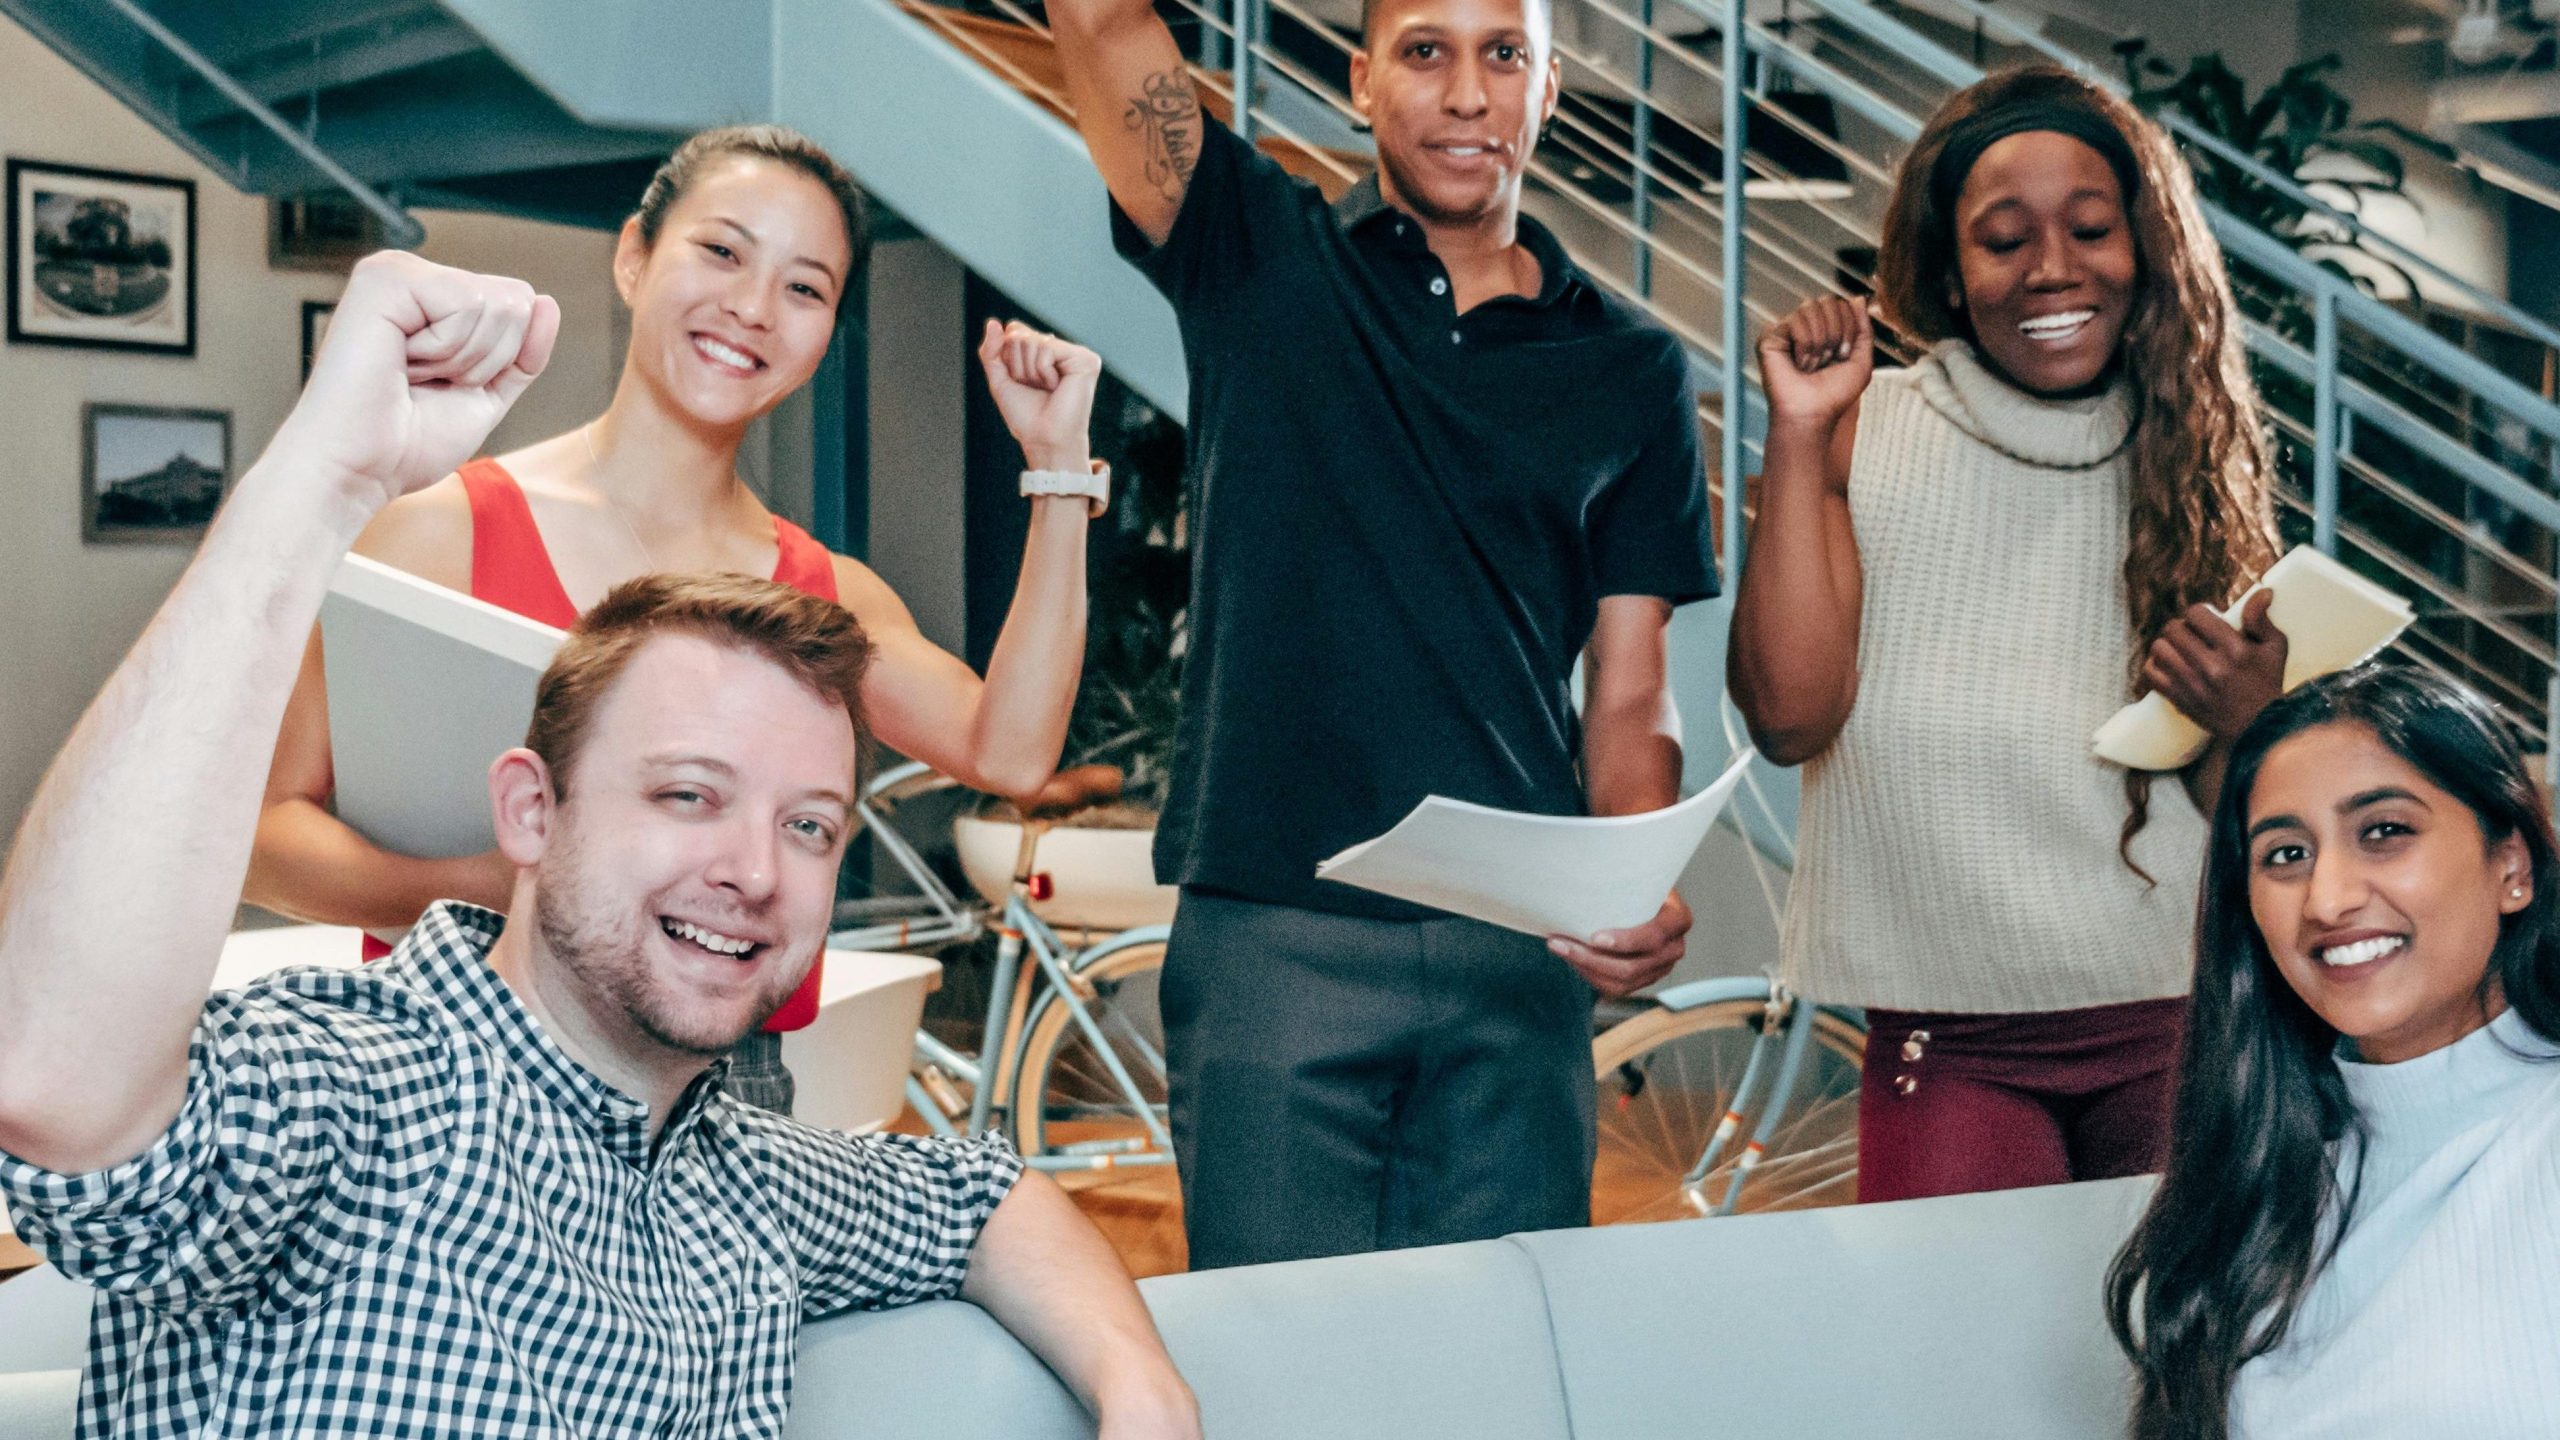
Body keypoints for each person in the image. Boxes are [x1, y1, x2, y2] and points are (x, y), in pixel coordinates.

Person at [0, 251, 1200, 1440]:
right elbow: (51, 1083)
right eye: (686, 795)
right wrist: (313, 490)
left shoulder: (747, 1178)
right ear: (530, 811)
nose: (754, 869)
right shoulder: (362, 1098)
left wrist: (1145, 1394)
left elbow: (981, 1197)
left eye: (809, 827)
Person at [244, 125, 1103, 1112]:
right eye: (723, 251)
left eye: (805, 287)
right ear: (633, 257)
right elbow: (265, 838)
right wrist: (506, 886)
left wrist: (1060, 471)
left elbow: (1012, 752)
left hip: (723, 1094)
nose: (752, 308)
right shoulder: (437, 534)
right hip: (458, 1072)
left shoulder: (826, 593)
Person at [1047, 0, 1715, 1267]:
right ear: (1360, 81)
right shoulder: (1251, 250)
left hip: (1516, 950)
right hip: (1274, 933)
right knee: (1280, 1372)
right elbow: (1094, 19)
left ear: (1548, 88)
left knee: (1501, 1368)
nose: (1467, 91)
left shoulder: (1631, 367)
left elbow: (1630, 693)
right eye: (1424, 50)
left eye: (1501, 53)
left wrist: (1627, 877)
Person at [1730, 64, 2285, 1203]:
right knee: (1955, 1376)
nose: (2051, 269)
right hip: (1951, 1042)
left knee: (2180, 1376)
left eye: (2091, 228)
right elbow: (1788, 718)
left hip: (2178, 1024)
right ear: (1946, 267)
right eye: (2002, 238)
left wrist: (2253, 722)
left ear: (2148, 251)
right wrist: (1794, 437)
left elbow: (2256, 810)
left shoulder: (2196, 459)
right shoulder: (1854, 436)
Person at [2107, 665, 2560, 1438]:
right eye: (2285, 854)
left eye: (2384, 832)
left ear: (2510, 865)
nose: (2327, 899)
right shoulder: (2257, 1171)